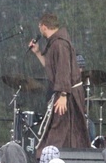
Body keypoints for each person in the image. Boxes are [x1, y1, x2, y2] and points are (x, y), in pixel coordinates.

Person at [27, 13, 90, 154]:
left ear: (44, 27)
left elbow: (63, 70)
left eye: (39, 27)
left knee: (60, 129)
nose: (39, 30)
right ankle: (62, 158)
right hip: (66, 91)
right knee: (66, 130)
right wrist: (37, 53)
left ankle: (52, 157)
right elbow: (52, 69)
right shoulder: (55, 43)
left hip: (68, 93)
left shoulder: (60, 44)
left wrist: (63, 94)